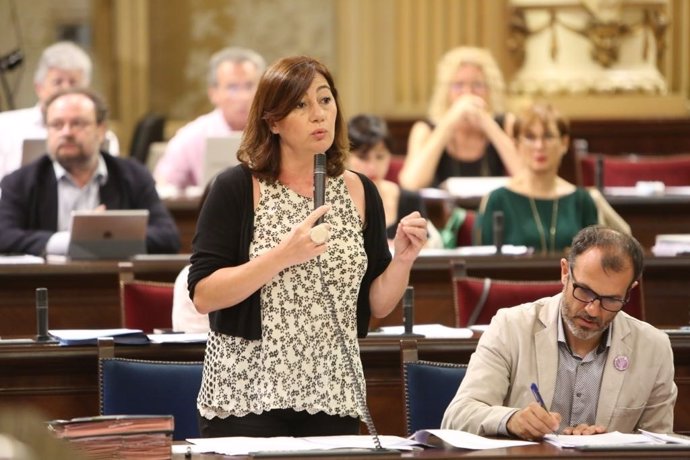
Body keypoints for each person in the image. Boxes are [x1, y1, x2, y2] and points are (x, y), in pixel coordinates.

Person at [188, 55, 427, 437]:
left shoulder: (361, 191)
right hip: (248, 396)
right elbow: (203, 294)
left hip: (334, 394)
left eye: (325, 100)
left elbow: (378, 304)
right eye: (301, 105)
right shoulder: (235, 188)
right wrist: (284, 255)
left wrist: (402, 259)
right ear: (274, 121)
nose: (319, 114)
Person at [442, 225, 677, 439]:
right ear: (565, 272)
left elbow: (659, 444)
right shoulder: (511, 327)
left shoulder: (653, 347)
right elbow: (456, 417)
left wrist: (605, 444)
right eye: (584, 291)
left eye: (611, 299)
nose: (593, 310)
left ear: (630, 290)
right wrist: (511, 420)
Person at [0, 87, 180, 256]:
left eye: (77, 123)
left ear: (101, 130)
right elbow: (4, 236)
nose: (67, 132)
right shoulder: (20, 182)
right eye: (56, 125)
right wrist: (70, 239)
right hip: (45, 284)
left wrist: (108, 235)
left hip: (114, 282)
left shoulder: (132, 175)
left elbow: (168, 237)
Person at [476, 102, 598, 253]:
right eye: (530, 137)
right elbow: (481, 265)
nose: (539, 146)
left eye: (548, 136)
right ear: (516, 144)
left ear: (564, 143)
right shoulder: (497, 200)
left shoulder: (581, 200)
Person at [398, 46, 520, 191]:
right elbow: (411, 183)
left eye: (477, 85)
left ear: (490, 90)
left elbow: (526, 176)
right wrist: (448, 123)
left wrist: (488, 125)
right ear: (446, 92)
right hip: (441, 212)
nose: (468, 93)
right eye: (458, 85)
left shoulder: (506, 124)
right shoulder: (424, 129)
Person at [0, 41, 120, 180]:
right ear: (39, 88)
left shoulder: (101, 135)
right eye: (58, 82)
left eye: (73, 83)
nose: (66, 90)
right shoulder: (5, 127)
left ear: (86, 90)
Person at [153, 47, 266, 190]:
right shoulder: (192, 134)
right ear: (213, 93)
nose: (243, 96)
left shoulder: (277, 130)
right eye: (232, 87)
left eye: (249, 86)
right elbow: (163, 186)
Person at [347, 113, 442, 248]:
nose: (372, 166)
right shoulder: (333, 200)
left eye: (380, 157)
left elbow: (424, 251)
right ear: (345, 157)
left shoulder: (410, 199)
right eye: (363, 157)